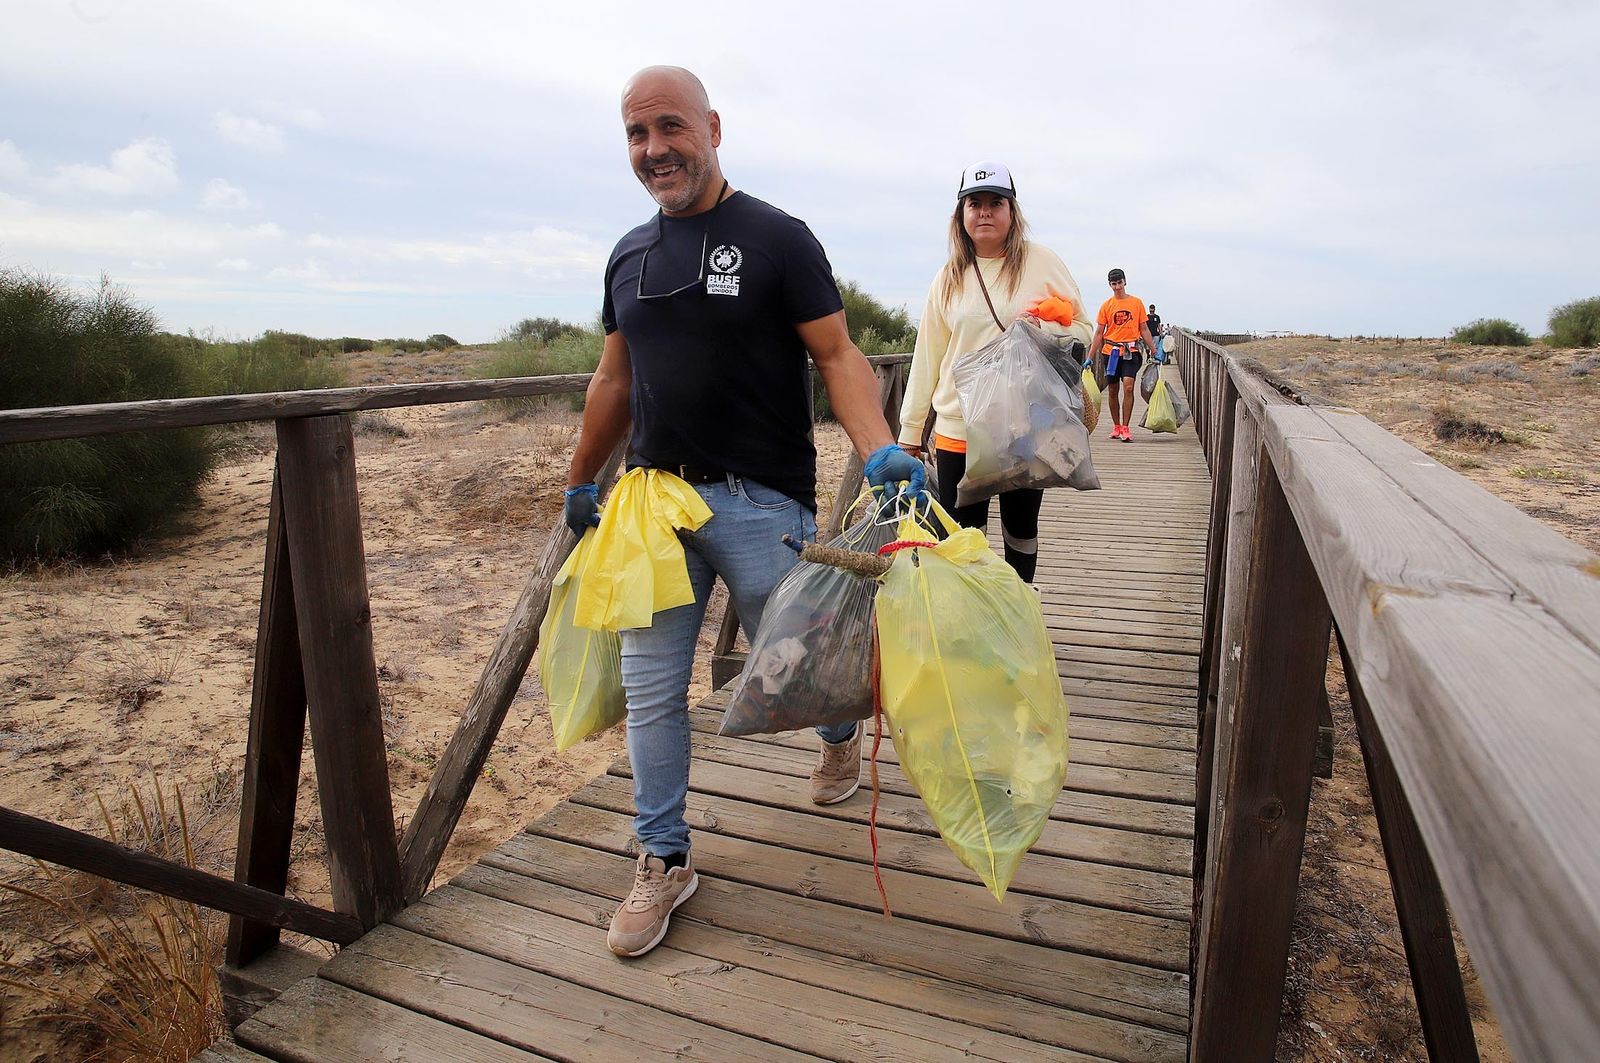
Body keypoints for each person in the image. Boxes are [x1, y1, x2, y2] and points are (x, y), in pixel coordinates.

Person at [562, 66, 922, 959]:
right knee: (654, 694)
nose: (655, 150)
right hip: (652, 505)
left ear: (713, 127)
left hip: (764, 499)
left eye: (671, 128)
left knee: (797, 662)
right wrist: (580, 480)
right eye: (637, 135)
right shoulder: (627, 256)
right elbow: (614, 377)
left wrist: (878, 450)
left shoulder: (777, 238)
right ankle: (664, 856)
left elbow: (838, 356)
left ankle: (838, 739)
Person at [895, 163, 1093, 583]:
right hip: (958, 430)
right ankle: (973, 627)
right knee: (964, 537)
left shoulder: (1043, 263)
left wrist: (1045, 326)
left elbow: (1083, 331)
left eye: (995, 203)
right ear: (961, 215)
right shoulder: (947, 278)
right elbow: (927, 355)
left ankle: (1018, 614)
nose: (985, 212)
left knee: (1021, 531)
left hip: (1025, 427)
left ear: (1011, 212)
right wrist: (909, 434)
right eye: (975, 203)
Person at [1088, 268, 1160, 441]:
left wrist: (1154, 350)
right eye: (1114, 284)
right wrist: (1089, 357)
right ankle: (1116, 426)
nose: (1117, 287)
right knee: (1112, 390)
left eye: (1119, 283)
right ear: (1110, 285)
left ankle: (1126, 428)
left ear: (1125, 282)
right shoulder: (1106, 306)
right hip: (1110, 353)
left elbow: (1143, 328)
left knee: (1128, 386)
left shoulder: (1136, 303)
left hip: (1131, 351)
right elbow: (1099, 333)